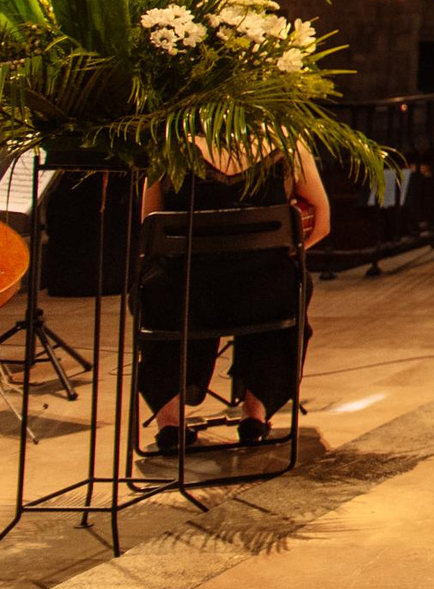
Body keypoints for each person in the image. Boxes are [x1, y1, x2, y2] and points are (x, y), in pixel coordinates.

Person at [136, 141, 330, 454]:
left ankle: (169, 425)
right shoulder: (286, 139)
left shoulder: (168, 144)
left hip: (185, 298)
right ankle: (255, 415)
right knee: (283, 283)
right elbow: (322, 222)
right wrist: (287, 249)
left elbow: (149, 226)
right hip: (262, 298)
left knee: (160, 290)